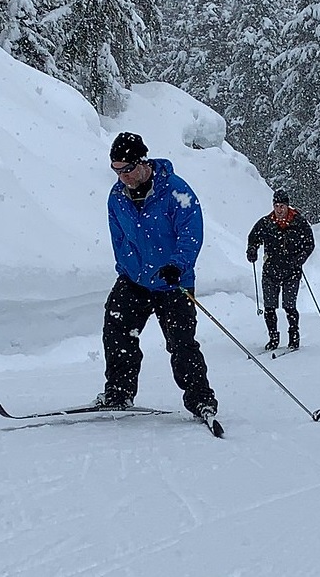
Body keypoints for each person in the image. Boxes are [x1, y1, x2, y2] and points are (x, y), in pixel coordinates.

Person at [98, 131, 218, 424]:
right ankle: (119, 393)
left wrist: (178, 265)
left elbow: (191, 234)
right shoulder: (116, 196)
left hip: (173, 281)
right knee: (116, 330)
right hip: (135, 279)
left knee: (181, 343)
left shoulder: (176, 191)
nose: (123, 176)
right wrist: (127, 268)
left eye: (127, 169)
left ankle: (201, 400)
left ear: (143, 162)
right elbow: (119, 237)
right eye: (116, 170)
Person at [246, 188, 316, 350]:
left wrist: (301, 258)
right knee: (269, 307)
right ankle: (273, 337)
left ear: (287, 206)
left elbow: (309, 243)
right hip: (270, 270)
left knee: (289, 306)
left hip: (292, 271)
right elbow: (253, 238)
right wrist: (252, 250)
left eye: (282, 206)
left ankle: (294, 336)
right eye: (276, 206)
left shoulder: (299, 222)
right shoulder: (265, 223)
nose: (279, 210)